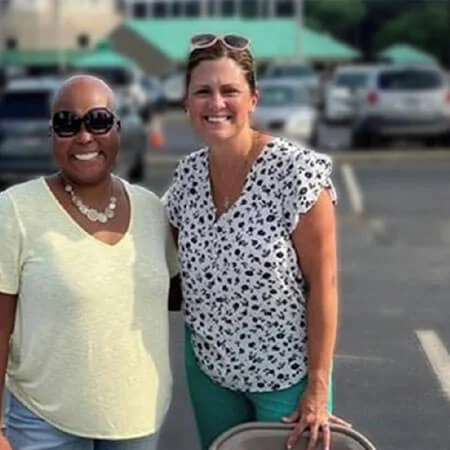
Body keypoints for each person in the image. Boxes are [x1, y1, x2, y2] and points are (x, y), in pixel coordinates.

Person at [165, 34, 351, 450]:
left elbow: (325, 283)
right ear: (186, 104)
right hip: (210, 372)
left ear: (252, 100)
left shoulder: (295, 173)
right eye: (203, 92)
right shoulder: (186, 178)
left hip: (284, 377)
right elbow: (167, 263)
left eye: (230, 91)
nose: (216, 104)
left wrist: (318, 389)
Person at [0, 75, 178, 450]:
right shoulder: (15, 209)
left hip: (137, 419)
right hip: (43, 423)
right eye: (67, 123)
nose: (84, 136)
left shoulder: (152, 209)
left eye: (98, 120)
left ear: (118, 129)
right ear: (52, 134)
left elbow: (182, 294)